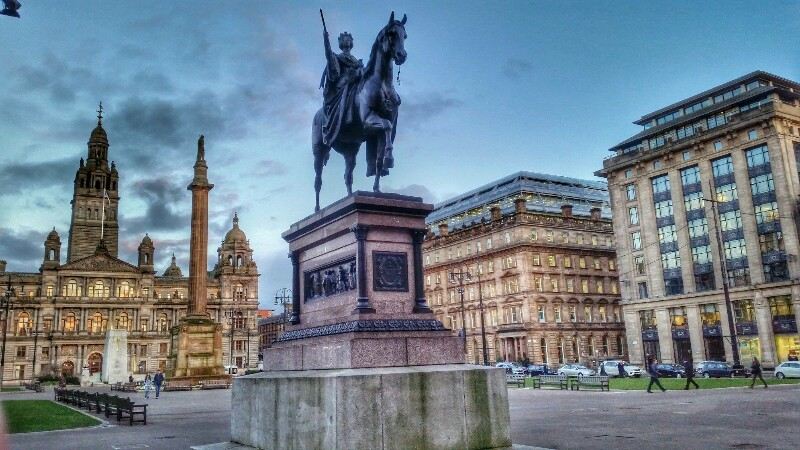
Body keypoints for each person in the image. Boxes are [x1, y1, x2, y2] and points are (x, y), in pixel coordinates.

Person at [320, 28, 364, 146]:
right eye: (344, 39)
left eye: (349, 39)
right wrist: (326, 40)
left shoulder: (355, 59)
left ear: (351, 43)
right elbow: (329, 57)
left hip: (355, 83)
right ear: (340, 43)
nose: (347, 41)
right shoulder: (337, 57)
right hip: (343, 85)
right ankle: (339, 120)